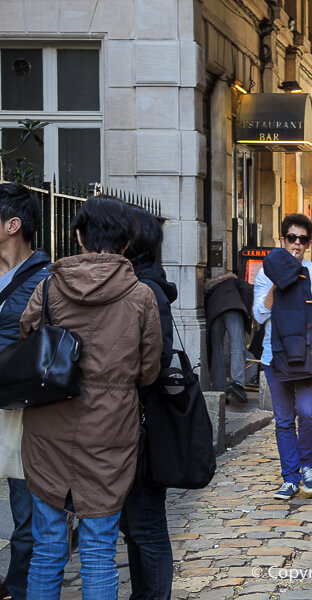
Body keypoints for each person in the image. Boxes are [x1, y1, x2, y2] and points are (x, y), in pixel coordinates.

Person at [20, 195, 162, 599]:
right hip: (110, 431)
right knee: (100, 547)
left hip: (48, 426)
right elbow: (149, 369)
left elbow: (26, 343)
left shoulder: (48, 288)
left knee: (47, 548)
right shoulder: (140, 296)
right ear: (125, 241)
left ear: (79, 236)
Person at [119, 206, 177, 600]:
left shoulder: (147, 291)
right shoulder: (141, 285)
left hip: (142, 425)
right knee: (136, 529)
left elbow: (155, 362)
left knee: (146, 527)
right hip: (135, 424)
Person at [253, 213, 312, 500]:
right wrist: (278, 281)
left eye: (303, 239)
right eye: (292, 238)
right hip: (275, 355)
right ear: (282, 240)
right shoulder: (265, 272)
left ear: (309, 243)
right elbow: (260, 314)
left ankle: (307, 464)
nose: (297, 244)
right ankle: (290, 477)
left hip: (307, 355)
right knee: (284, 420)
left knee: (308, 412)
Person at [0, 183, 50, 600]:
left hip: (19, 408)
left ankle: (18, 587)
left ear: (12, 225)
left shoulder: (46, 279)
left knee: (26, 509)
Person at [204, 269, 253, 404]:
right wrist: (247, 310)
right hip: (233, 309)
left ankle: (220, 392)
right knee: (237, 347)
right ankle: (237, 383)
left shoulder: (210, 288)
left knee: (217, 352)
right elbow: (247, 289)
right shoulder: (233, 280)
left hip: (214, 314)